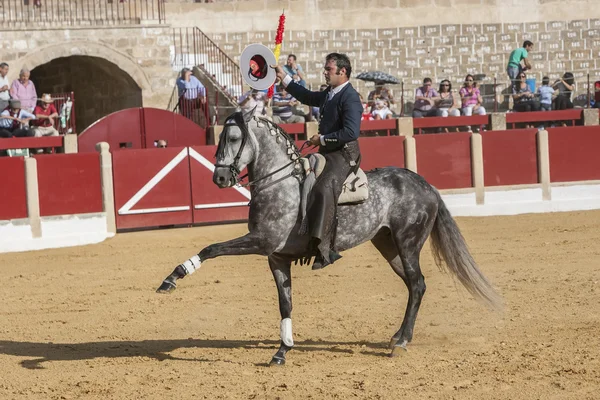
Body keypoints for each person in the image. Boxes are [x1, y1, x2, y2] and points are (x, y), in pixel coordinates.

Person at [272, 52, 362, 270]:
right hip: (328, 152)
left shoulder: (350, 97)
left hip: (344, 155)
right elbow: (306, 97)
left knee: (322, 189)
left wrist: (320, 138)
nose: (325, 72)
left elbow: (351, 132)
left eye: (328, 69)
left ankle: (325, 248)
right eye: (326, 68)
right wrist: (284, 77)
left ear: (343, 72)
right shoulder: (330, 92)